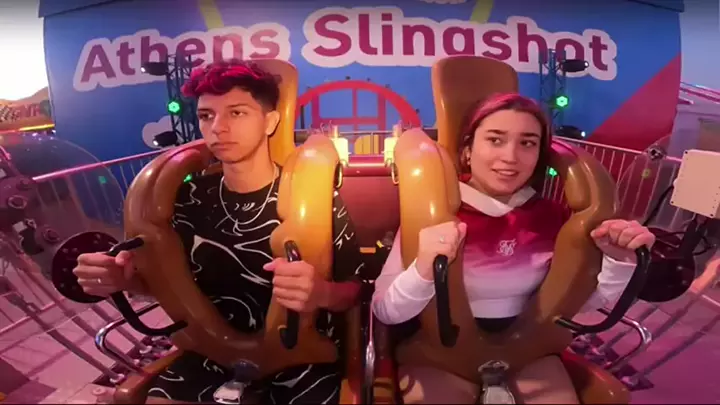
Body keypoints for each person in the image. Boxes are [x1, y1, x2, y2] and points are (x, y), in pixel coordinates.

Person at [73, 61, 365, 404]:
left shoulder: (314, 199)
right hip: (211, 353)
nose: (218, 127)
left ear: (270, 122)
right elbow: (164, 284)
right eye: (206, 116)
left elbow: (355, 290)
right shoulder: (186, 199)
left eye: (237, 113)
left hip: (302, 357)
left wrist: (320, 293)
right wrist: (121, 279)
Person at [372, 93, 656, 404]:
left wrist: (619, 261)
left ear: (540, 155)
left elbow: (582, 305)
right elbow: (387, 311)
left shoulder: (555, 219)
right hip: (442, 356)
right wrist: (423, 269)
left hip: (528, 353)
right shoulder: (432, 215)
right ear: (468, 150)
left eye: (527, 143)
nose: (510, 157)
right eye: (495, 140)